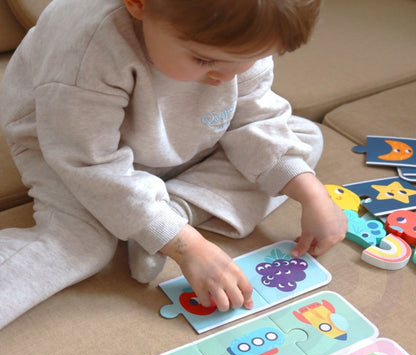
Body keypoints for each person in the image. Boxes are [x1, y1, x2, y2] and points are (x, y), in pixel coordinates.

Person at [0, 0, 347, 329]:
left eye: (251, 59)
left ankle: (172, 213)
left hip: (180, 136)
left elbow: (255, 118)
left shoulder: (241, 34)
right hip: (69, 148)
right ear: (138, 4)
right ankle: (159, 222)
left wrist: (312, 193)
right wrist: (188, 247)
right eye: (204, 59)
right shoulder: (89, 43)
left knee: (304, 140)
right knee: (83, 244)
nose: (228, 77)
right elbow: (89, 163)